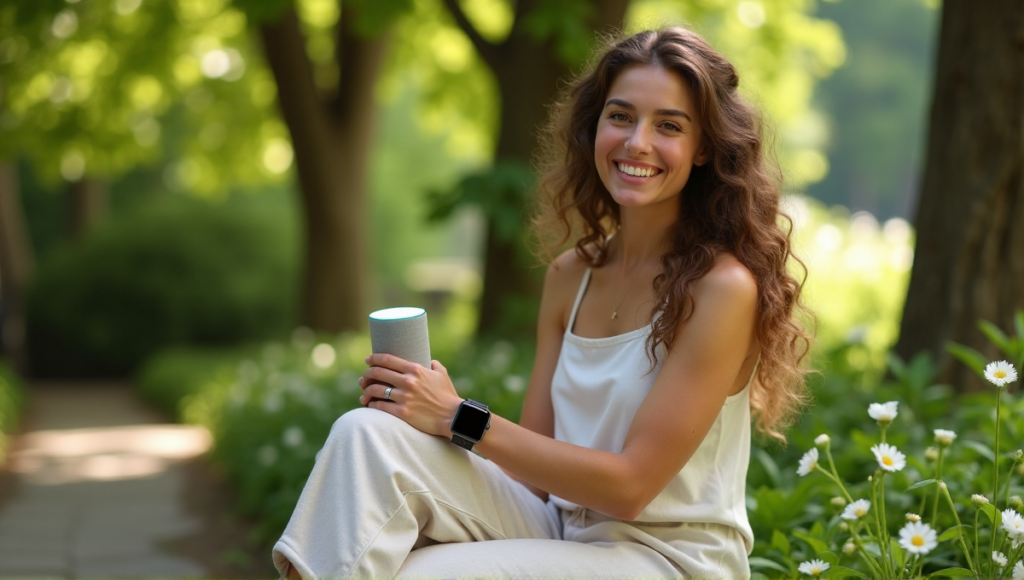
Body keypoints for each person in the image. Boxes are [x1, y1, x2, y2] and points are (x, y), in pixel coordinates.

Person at [272, 26, 811, 580]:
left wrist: (458, 416)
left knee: (418, 574)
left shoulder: (721, 289)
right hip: (558, 528)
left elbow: (630, 488)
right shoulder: (571, 276)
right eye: (620, 116)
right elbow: (530, 477)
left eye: (668, 125)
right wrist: (424, 417)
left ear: (703, 149)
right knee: (365, 434)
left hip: (665, 561)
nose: (637, 142)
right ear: (594, 126)